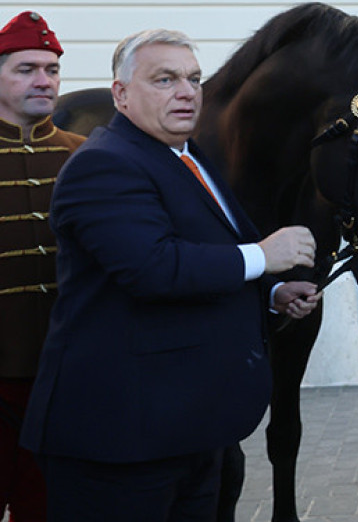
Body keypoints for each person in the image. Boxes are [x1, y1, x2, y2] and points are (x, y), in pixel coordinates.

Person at [20, 29, 322, 522]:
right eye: (165, 79)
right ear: (120, 94)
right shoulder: (103, 164)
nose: (187, 91)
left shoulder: (185, 154)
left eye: (194, 78)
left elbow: (210, 249)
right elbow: (152, 267)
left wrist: (273, 293)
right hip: (122, 442)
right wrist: (263, 257)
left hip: (189, 429)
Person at [0, 12, 85, 522]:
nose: (43, 80)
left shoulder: (84, 157)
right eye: (27, 68)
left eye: (52, 70)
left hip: (63, 383)